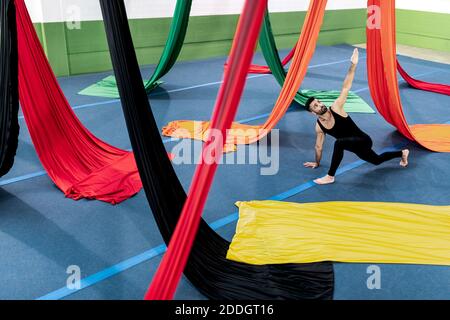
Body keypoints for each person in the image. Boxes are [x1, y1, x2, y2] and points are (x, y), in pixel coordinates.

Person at [303, 48, 409, 185]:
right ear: (313, 112)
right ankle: (402, 153)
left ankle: (330, 176)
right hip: (353, 146)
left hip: (363, 140)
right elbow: (318, 146)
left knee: (339, 143)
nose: (320, 105)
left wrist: (353, 65)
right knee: (376, 160)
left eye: (319, 102)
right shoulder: (319, 126)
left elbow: (345, 87)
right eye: (316, 106)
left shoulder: (336, 107)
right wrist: (316, 162)